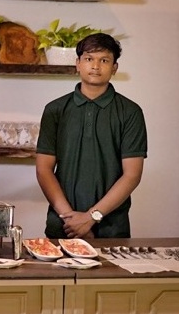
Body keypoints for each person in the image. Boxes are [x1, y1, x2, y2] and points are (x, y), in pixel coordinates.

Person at [35, 32, 147, 239]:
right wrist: (71, 219)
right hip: (62, 226)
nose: (95, 66)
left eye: (104, 60)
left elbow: (132, 174)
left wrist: (91, 217)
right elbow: (43, 169)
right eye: (89, 59)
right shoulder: (55, 110)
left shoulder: (130, 112)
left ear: (114, 68)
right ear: (77, 64)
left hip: (111, 229)